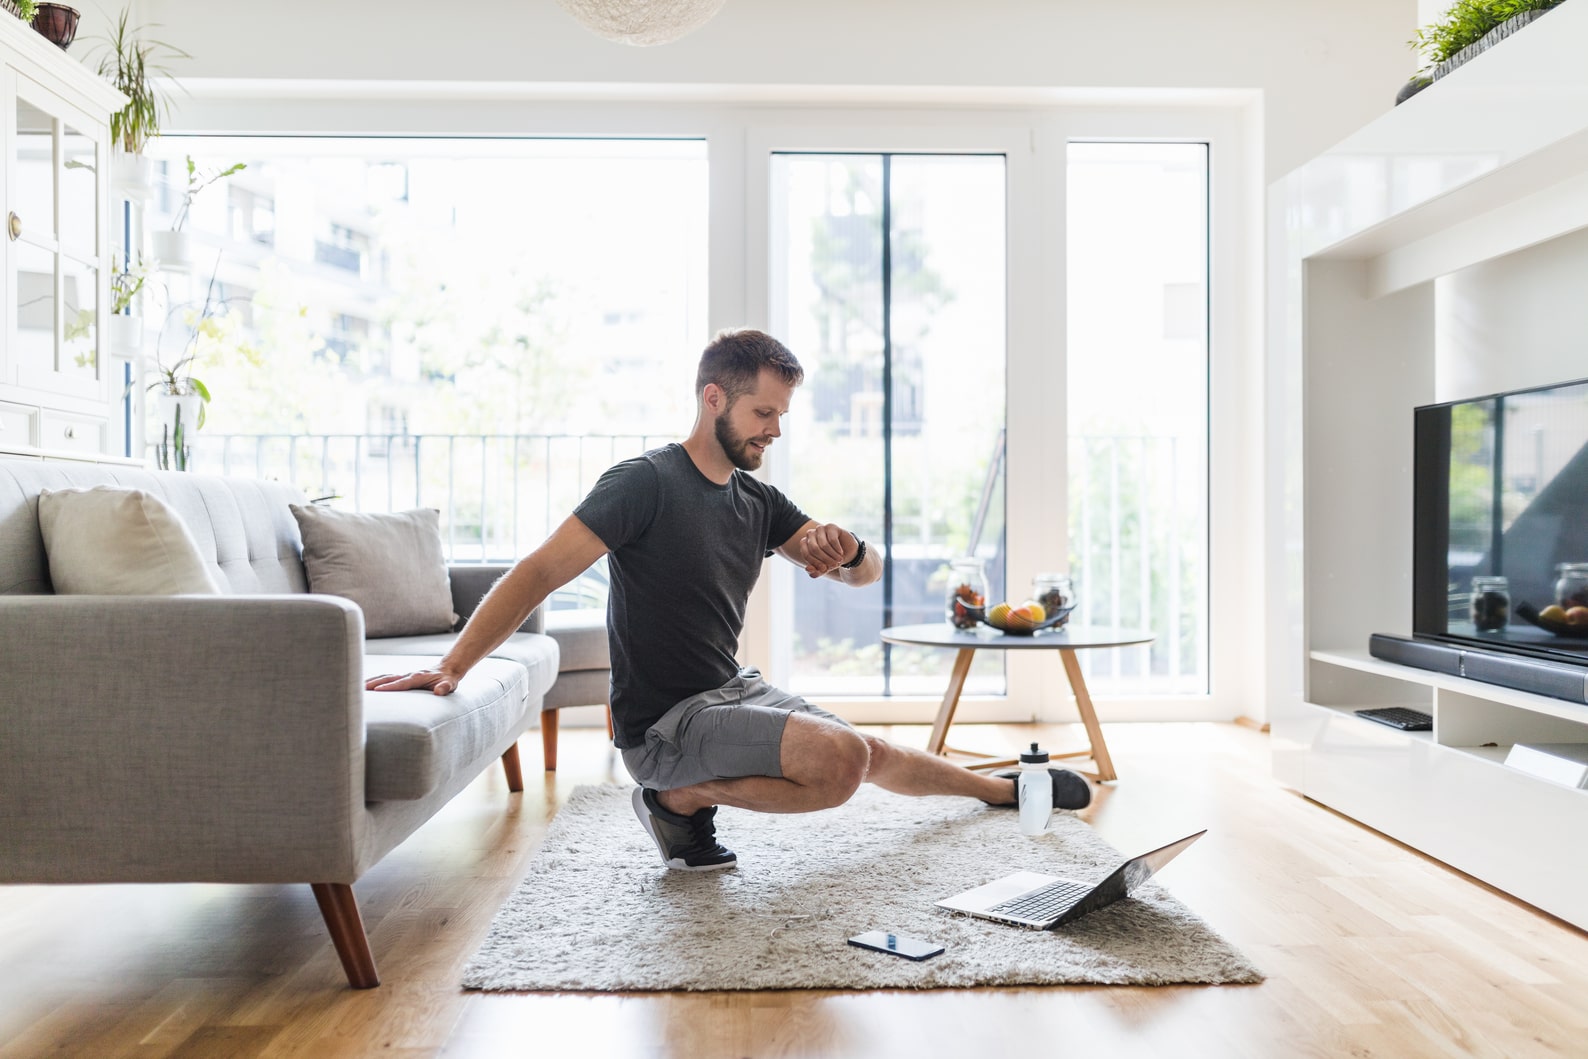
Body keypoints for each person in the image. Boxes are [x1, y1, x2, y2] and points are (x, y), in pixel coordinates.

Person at [366, 328, 1091, 871]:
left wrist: (851, 550)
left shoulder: (756, 498)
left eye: (780, 415)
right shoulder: (643, 483)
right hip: (663, 726)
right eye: (763, 413)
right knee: (839, 761)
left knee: (864, 749)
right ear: (713, 397)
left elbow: (863, 574)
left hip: (728, 689)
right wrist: (453, 665)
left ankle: (1001, 791)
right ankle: (672, 800)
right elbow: (537, 572)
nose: (774, 430)